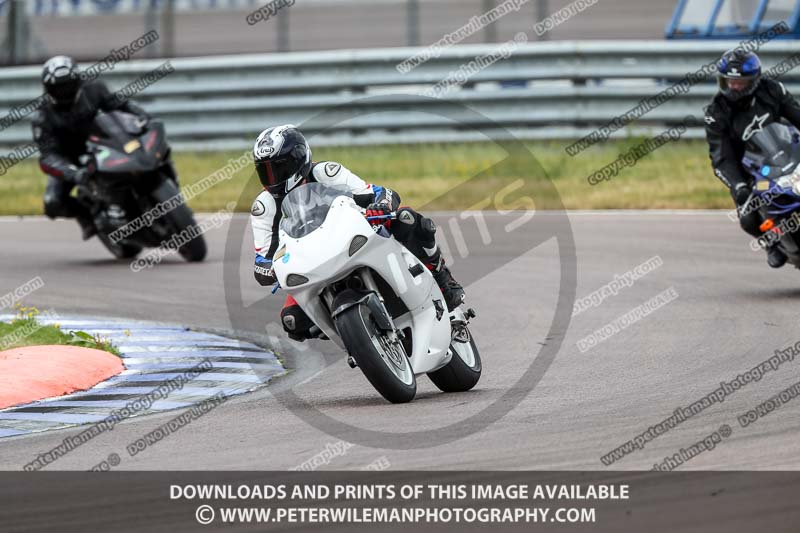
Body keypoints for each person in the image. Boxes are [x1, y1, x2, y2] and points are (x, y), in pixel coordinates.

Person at [249, 124, 465, 341]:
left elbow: (380, 193)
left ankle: (443, 279)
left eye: (278, 168)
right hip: (310, 261)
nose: (272, 177)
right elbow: (263, 258)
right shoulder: (264, 207)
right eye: (264, 170)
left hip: (356, 234)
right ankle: (353, 334)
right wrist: (270, 269)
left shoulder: (326, 172)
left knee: (407, 219)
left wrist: (379, 205)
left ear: (299, 159)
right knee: (292, 321)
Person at [32, 55, 160, 239]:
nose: (64, 92)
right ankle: (87, 217)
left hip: (104, 142)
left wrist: (144, 117)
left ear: (78, 81)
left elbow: (122, 105)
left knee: (144, 151)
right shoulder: (42, 117)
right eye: (58, 88)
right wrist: (72, 172)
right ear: (47, 89)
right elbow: (48, 156)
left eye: (67, 85)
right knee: (52, 203)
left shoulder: (94, 89)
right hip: (70, 159)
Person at [705, 48, 800, 268]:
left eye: (741, 82)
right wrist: (738, 185)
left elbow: (797, 115)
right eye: (729, 81)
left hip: (787, 153)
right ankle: (771, 244)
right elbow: (721, 156)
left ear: (754, 80)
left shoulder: (773, 90)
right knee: (748, 217)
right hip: (750, 169)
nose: (734, 87)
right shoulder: (716, 112)